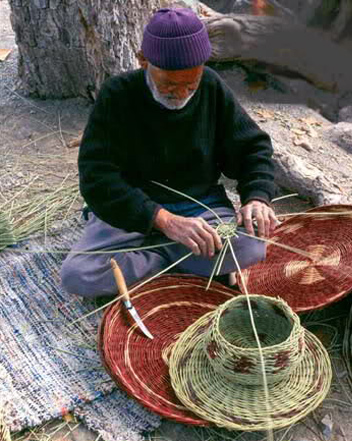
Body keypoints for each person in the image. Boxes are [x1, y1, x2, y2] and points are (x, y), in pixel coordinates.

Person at [61, 7, 279, 298]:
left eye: (191, 83)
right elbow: (96, 178)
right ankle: (180, 261)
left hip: (198, 208)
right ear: (143, 61)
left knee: (253, 247)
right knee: (79, 275)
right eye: (169, 84)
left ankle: (158, 262)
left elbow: (253, 147)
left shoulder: (211, 86)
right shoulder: (117, 95)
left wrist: (257, 197)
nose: (181, 94)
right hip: (133, 212)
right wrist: (164, 221)